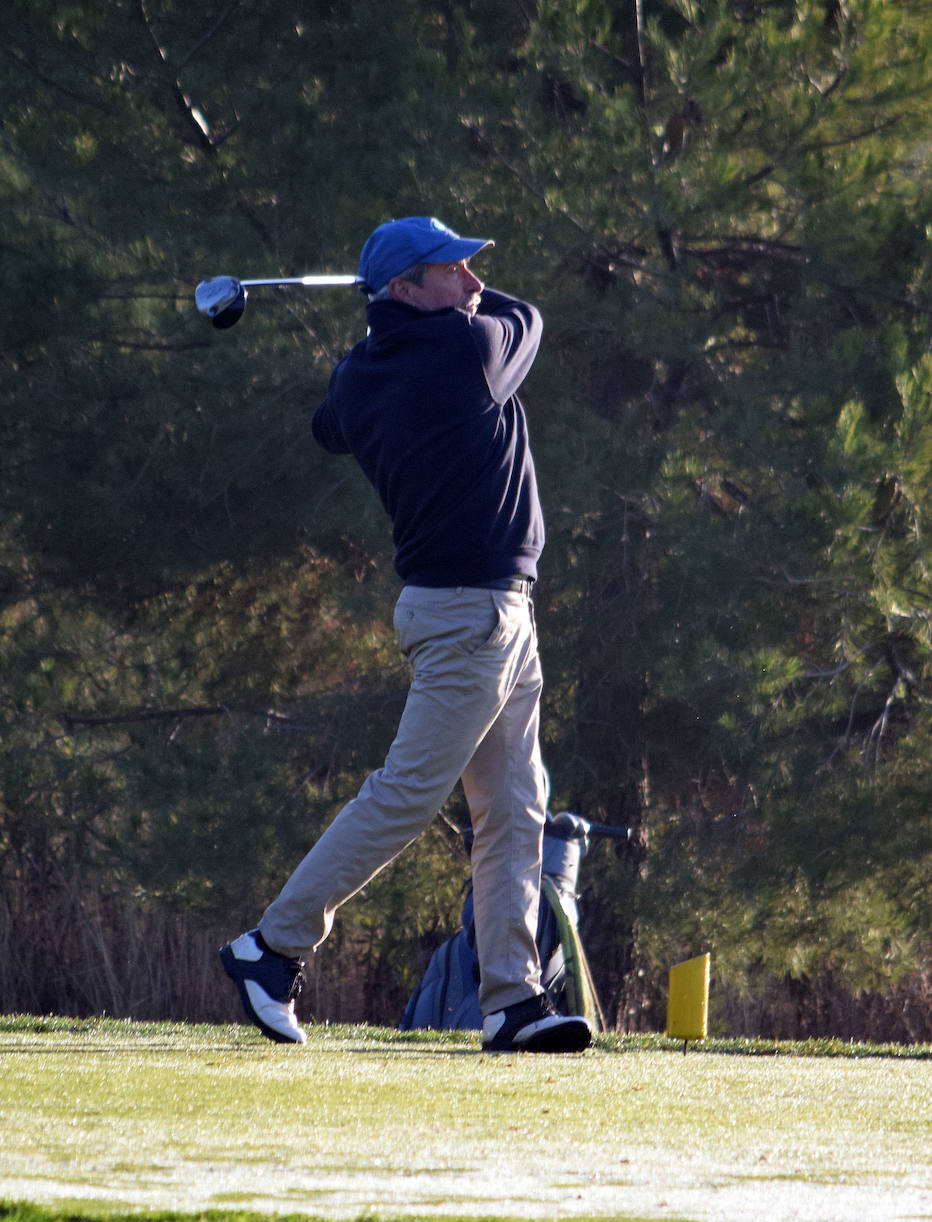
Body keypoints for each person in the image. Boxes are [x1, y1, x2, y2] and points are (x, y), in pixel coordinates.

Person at [219, 216, 591, 1055]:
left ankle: (513, 1002)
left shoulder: (364, 379)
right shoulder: (466, 353)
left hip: (490, 611)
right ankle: (271, 950)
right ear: (403, 290)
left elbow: (328, 424)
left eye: (470, 270)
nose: (471, 284)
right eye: (451, 270)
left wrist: (369, 345)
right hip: (470, 616)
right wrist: (438, 317)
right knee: (407, 794)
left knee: (516, 810)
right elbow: (531, 317)